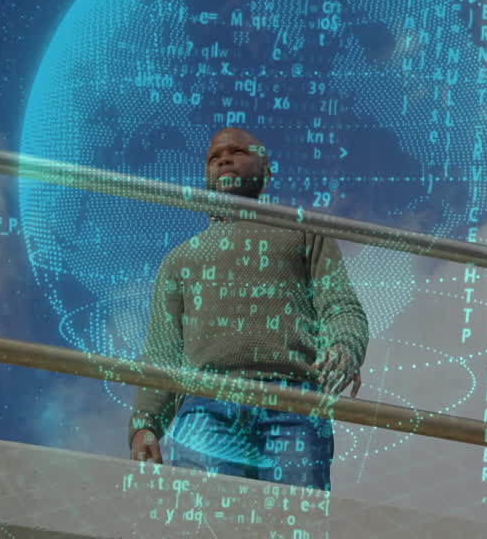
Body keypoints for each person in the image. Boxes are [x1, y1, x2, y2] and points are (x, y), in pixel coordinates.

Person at [127, 127, 369, 491]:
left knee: (295, 522)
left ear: (266, 168)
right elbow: (163, 351)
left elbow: (339, 305)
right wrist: (145, 423)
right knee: (211, 525)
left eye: (237, 151)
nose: (224, 158)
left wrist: (344, 346)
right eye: (214, 156)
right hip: (206, 405)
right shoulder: (178, 260)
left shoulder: (304, 231)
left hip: (294, 403)